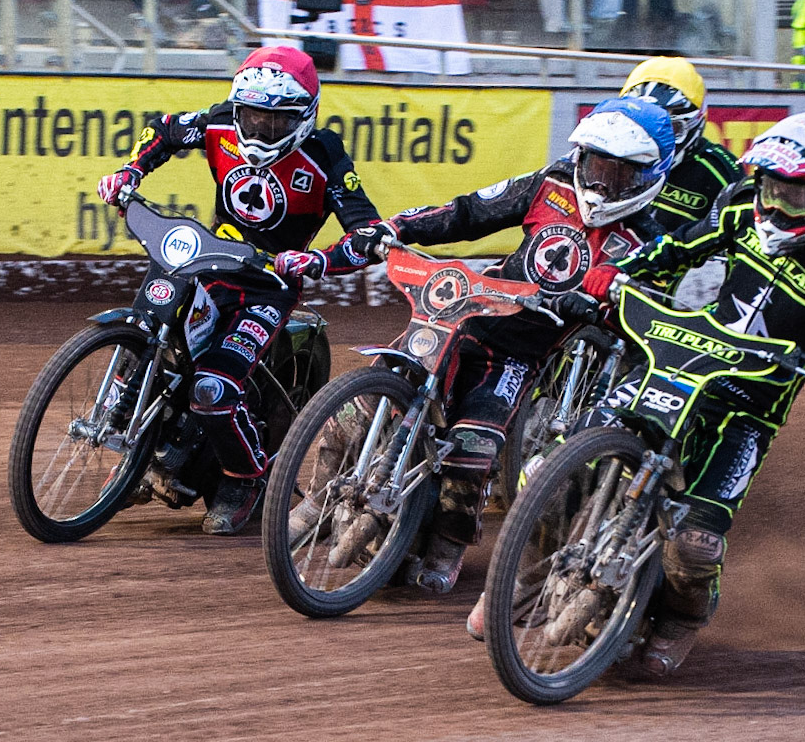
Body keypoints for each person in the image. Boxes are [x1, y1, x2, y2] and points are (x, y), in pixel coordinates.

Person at [274, 97, 676, 597]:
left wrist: (600, 307)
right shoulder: (551, 184)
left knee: (472, 450)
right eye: (596, 165)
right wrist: (396, 229)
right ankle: (317, 500)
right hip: (462, 312)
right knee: (358, 404)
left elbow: (643, 318)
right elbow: (467, 212)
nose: (602, 183)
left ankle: (448, 545)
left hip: (516, 355)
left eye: (620, 174)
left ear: (649, 176)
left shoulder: (649, 245)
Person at [579, 111, 805, 676]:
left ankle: (681, 619)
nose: (776, 208)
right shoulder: (740, 210)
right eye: (770, 189)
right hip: (681, 365)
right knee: (566, 456)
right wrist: (619, 271)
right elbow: (675, 248)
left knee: (694, 543)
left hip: (747, 412)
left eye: (797, 198)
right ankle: (527, 573)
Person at [96, 46, 381, 535]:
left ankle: (244, 478)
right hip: (207, 263)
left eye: (275, 121)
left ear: (305, 116)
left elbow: (367, 232)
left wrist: (318, 260)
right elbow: (165, 129)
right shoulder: (219, 121)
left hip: (268, 288)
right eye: (251, 116)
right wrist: (130, 171)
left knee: (213, 386)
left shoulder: (325, 154)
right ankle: (140, 449)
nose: (260, 128)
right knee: (150, 336)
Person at [619, 56, 742, 299]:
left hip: (668, 298)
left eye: (669, 127)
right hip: (606, 274)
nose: (653, 137)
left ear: (695, 123)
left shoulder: (720, 171)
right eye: (642, 123)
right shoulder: (608, 156)